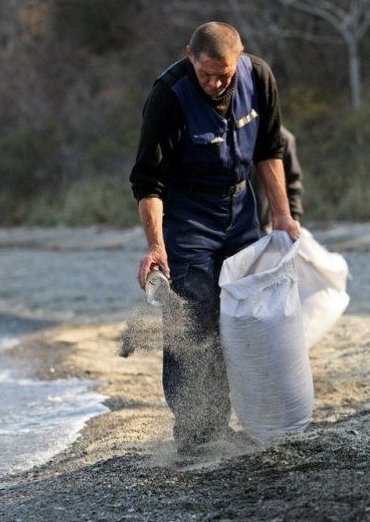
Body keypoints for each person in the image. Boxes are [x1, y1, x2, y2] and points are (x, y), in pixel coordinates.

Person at [129, 22, 300, 453]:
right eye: (206, 74)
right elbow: (148, 182)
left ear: (240, 58)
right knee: (194, 317)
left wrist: (282, 216)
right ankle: (197, 432)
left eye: (223, 74)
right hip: (188, 218)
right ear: (190, 56)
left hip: (241, 210)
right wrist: (155, 245)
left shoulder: (258, 77)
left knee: (244, 312)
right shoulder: (168, 96)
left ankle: (244, 415)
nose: (215, 82)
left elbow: (269, 151)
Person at [251, 125, 304, 234]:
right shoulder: (235, 135)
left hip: (266, 224)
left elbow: (293, 182)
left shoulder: (283, 138)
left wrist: (294, 218)